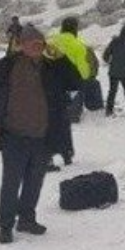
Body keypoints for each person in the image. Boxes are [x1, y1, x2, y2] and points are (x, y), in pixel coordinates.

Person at [0, 25, 81, 244]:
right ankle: (5, 225)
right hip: (13, 135)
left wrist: (61, 58)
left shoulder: (51, 67)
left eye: (41, 43)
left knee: (34, 182)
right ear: (22, 45)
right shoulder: (6, 66)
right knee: (10, 182)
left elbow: (76, 82)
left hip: (43, 136)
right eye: (33, 43)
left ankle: (26, 218)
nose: (38, 47)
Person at [46, 16, 91, 167]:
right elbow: (83, 71)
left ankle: (48, 153)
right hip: (67, 88)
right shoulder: (78, 45)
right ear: (75, 29)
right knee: (63, 121)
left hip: (47, 86)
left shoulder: (51, 41)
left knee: (48, 121)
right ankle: (66, 153)